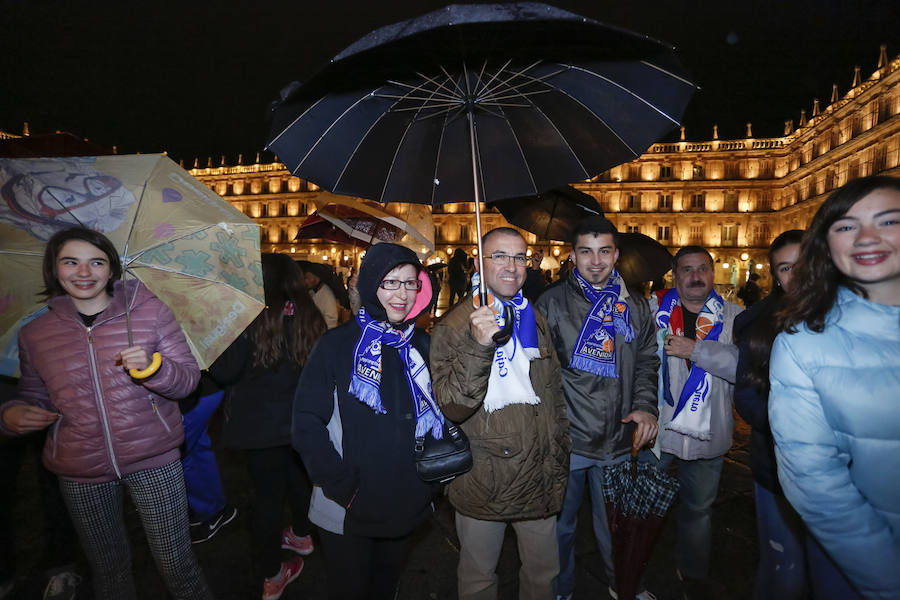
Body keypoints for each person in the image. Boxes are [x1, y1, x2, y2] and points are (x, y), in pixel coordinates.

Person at [0, 226, 213, 600]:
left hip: (154, 460)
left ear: (112, 269)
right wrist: (13, 414)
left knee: (176, 563)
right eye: (71, 262)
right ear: (54, 269)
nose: (84, 273)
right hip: (79, 469)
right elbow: (35, 394)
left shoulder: (149, 312)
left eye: (96, 262)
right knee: (109, 570)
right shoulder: (36, 333)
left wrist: (154, 369)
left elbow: (187, 383)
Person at [769, 176, 900, 599]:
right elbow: (815, 483)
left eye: (889, 221)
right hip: (860, 564)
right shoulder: (801, 341)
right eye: (845, 226)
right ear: (826, 245)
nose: (866, 237)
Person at [293, 243, 440, 600]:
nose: (402, 294)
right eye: (390, 283)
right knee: (351, 589)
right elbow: (305, 422)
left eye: (410, 283)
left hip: (408, 501)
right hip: (348, 506)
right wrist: (342, 484)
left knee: (386, 586)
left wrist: (430, 482)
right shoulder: (337, 345)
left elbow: (441, 414)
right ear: (372, 283)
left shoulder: (424, 345)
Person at [431, 227, 570, 600]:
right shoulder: (454, 325)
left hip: (538, 472)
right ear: (479, 262)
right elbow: (453, 406)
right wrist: (478, 345)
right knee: (479, 578)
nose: (512, 266)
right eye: (500, 256)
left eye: (519, 257)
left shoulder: (530, 316)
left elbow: (551, 391)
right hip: (485, 478)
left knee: (543, 574)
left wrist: (559, 448)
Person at [536, 217, 659, 600]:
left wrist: (645, 407)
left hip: (618, 437)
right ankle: (561, 590)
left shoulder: (635, 306)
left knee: (616, 526)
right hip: (569, 439)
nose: (595, 261)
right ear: (572, 255)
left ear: (616, 255)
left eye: (604, 251)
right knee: (562, 526)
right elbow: (538, 372)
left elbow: (647, 361)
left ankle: (621, 585)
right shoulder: (551, 303)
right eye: (586, 252)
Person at [209, 253, 326, 600]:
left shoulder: (247, 317)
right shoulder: (309, 313)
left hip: (260, 426)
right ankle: (302, 535)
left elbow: (224, 371)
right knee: (298, 479)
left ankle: (273, 575)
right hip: (301, 420)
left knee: (267, 500)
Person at [650, 245, 742, 598]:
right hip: (659, 435)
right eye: (687, 269)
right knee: (644, 507)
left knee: (699, 512)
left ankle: (692, 574)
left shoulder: (734, 316)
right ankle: (637, 564)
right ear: (674, 274)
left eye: (702, 268)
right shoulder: (652, 311)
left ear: (712, 273)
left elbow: (743, 368)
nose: (695, 276)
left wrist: (697, 350)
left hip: (709, 437)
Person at [733, 229, 809, 599]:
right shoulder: (758, 324)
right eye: (785, 268)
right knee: (785, 564)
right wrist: (798, 428)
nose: (797, 275)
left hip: (852, 474)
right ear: (775, 275)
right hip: (776, 466)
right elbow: (745, 396)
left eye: (806, 263)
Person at [181, 374, 237, 545]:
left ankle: (212, 510)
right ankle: (210, 507)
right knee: (196, 449)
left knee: (179, 454)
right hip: (199, 390)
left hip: (198, 390)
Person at [303, 264, 339, 328]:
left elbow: (331, 321)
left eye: (308, 278)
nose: (305, 281)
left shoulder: (327, 294)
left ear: (317, 279)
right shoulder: (311, 291)